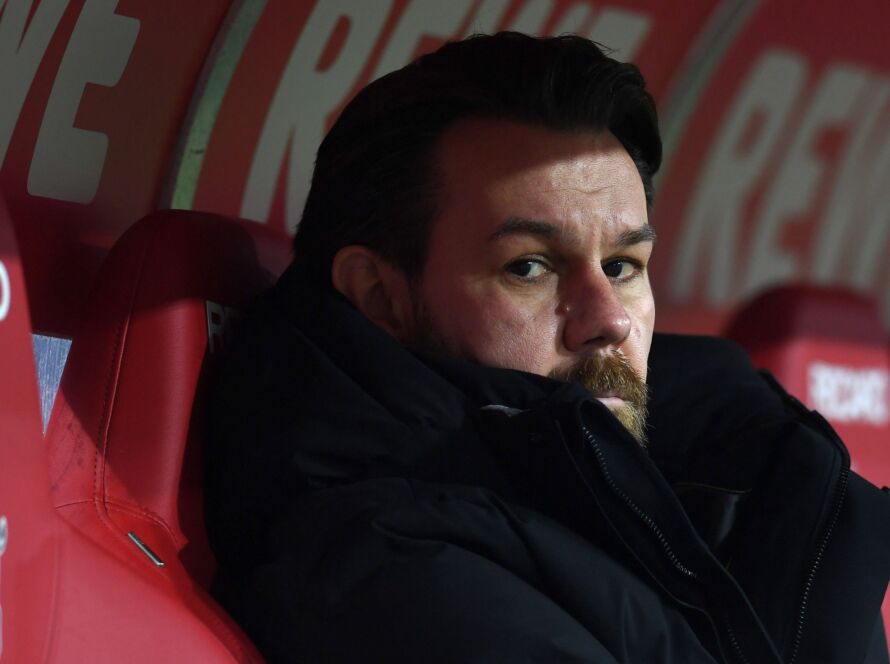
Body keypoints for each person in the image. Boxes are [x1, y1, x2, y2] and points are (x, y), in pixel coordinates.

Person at [205, 32, 890, 663]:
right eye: (529, 267)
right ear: (382, 298)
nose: (609, 319)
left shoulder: (746, 472)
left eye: (622, 265)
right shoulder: (385, 573)